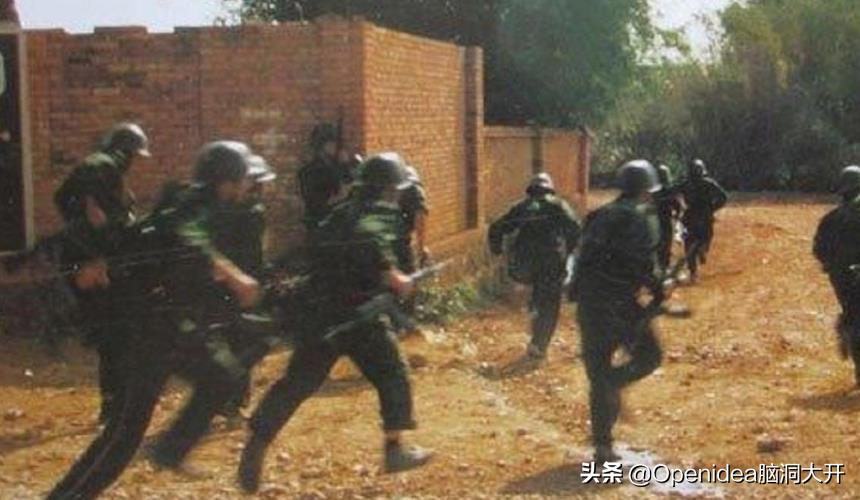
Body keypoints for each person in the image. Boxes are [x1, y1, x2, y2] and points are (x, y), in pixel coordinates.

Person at [47, 141, 265, 500]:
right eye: (242, 179)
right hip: (157, 328)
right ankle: (168, 452)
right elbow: (186, 238)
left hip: (162, 326)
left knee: (126, 431)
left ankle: (69, 494)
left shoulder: (193, 202)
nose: (246, 186)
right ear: (226, 180)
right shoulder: (195, 206)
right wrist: (235, 278)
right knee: (212, 382)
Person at [238, 152, 433, 494]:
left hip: (319, 314)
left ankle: (255, 445)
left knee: (297, 383)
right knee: (392, 373)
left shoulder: (340, 212)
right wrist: (396, 278)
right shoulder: (376, 214)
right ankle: (394, 449)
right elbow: (369, 246)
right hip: (359, 316)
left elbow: (317, 249)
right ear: (389, 188)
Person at [53, 122, 151, 424]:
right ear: (127, 152)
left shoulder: (94, 166)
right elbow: (107, 223)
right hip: (98, 263)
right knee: (117, 336)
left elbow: (62, 199)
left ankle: (112, 405)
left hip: (83, 260)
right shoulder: (105, 168)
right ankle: (114, 408)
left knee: (111, 335)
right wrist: (102, 255)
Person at [574, 160, 665, 464]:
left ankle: (603, 446)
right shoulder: (639, 218)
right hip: (620, 303)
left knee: (598, 372)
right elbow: (641, 262)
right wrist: (656, 287)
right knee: (649, 356)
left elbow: (581, 257)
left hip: (589, 304)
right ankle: (614, 382)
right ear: (645, 189)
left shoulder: (598, 215)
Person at [488, 172, 581, 359]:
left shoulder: (521, 207)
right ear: (550, 189)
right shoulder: (558, 205)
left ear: (530, 190)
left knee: (537, 294)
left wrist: (497, 252)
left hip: (525, 264)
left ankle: (534, 319)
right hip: (551, 262)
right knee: (550, 303)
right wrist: (569, 252)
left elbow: (496, 228)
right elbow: (576, 229)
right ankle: (539, 344)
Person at [814, 165, 860, 385]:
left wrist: (829, 265)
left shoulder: (830, 219)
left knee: (852, 313)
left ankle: (846, 326)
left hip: (840, 276)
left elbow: (818, 249)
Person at [678, 159, 727, 281]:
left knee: (689, 243)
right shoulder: (709, 183)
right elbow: (723, 197)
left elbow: (670, 191)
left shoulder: (685, 184)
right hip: (705, 216)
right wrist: (713, 208)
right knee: (706, 237)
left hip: (690, 216)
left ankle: (693, 272)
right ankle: (702, 249)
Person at [297, 123, 350, 236]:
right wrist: (340, 197)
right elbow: (316, 203)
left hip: (339, 225)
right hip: (321, 225)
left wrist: (345, 166)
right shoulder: (310, 171)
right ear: (323, 145)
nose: (336, 147)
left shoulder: (338, 166)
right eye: (332, 143)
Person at [652, 165, 684, 271]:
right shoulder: (670, 190)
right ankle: (664, 266)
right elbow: (678, 206)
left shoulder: (650, 191)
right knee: (666, 243)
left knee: (655, 243)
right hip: (665, 219)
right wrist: (677, 216)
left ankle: (656, 265)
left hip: (652, 221)